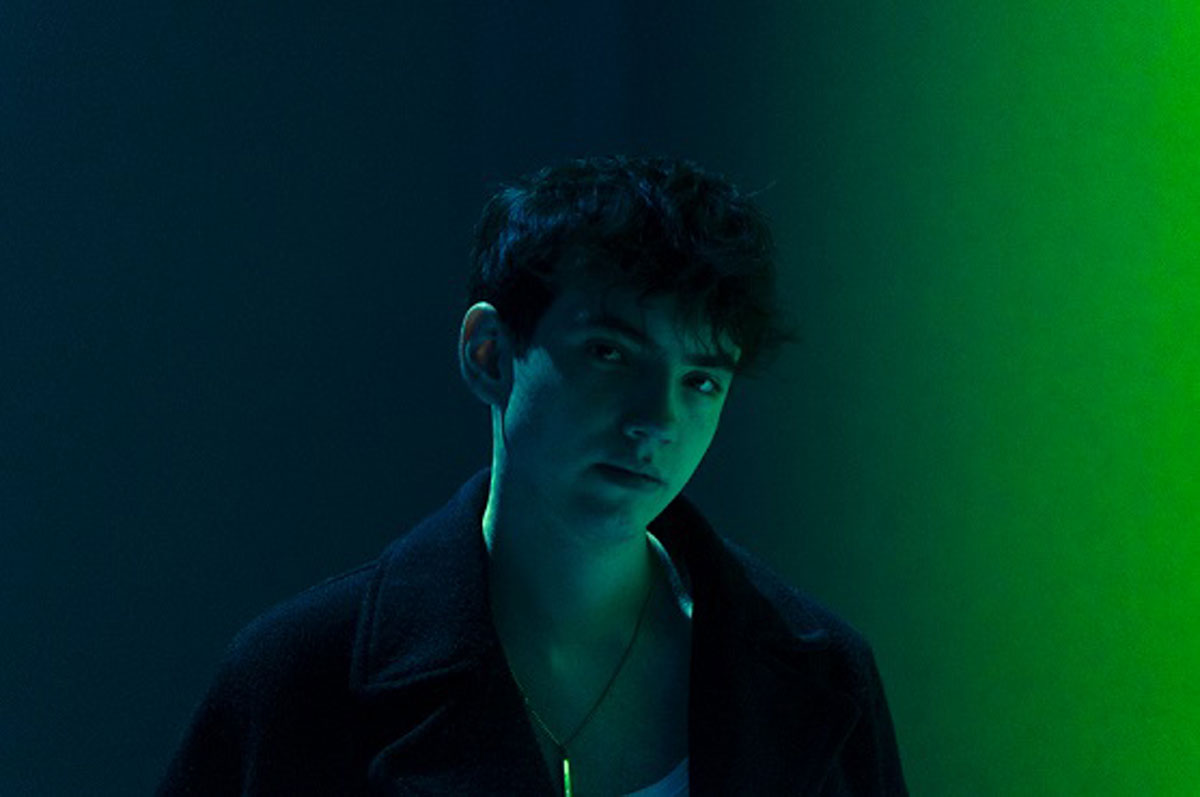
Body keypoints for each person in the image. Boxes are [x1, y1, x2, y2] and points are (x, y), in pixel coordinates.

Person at [157, 156, 908, 795]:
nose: (658, 419)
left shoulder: (819, 678)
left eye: (701, 381)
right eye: (609, 354)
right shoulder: (301, 679)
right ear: (488, 353)